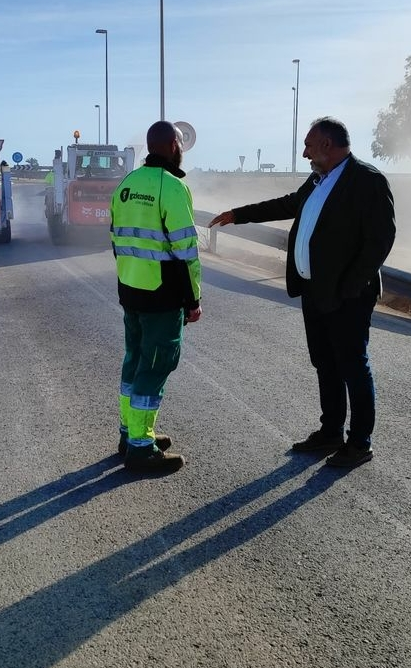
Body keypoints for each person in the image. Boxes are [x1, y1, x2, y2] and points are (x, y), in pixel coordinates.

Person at [208, 116, 395, 468]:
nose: (304, 151)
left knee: (353, 366)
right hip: (315, 290)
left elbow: (380, 241)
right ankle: (330, 432)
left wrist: (349, 289)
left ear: (327, 145)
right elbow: (286, 205)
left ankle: (359, 443)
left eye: (309, 144)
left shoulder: (367, 181)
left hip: (347, 296)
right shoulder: (318, 179)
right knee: (325, 362)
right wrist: (238, 214)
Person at [111, 120, 202, 473]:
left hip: (130, 290)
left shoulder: (126, 184)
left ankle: (130, 432)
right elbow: (187, 252)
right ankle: (140, 448)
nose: (182, 148)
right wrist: (193, 299)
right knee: (155, 366)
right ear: (172, 146)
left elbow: (116, 240)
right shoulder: (172, 187)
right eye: (180, 142)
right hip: (162, 297)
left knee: (134, 361)